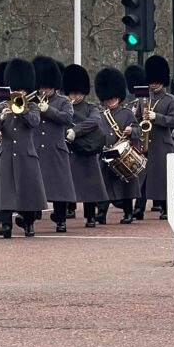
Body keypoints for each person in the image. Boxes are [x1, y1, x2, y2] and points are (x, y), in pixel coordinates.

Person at [0, 59, 47, 238]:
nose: (18, 93)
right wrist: (1, 118)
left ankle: (29, 225)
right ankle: (6, 226)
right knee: (5, 192)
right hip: (6, 153)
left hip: (26, 154)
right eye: (15, 90)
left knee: (28, 192)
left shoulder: (32, 107)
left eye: (21, 90)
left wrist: (21, 110)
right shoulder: (2, 107)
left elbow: (34, 122)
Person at [32, 56, 76, 233]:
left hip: (55, 148)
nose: (44, 90)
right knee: (34, 184)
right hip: (36, 147)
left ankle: (60, 219)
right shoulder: (31, 100)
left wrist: (48, 110)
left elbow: (67, 118)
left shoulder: (63, 101)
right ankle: (31, 216)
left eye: (47, 87)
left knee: (60, 187)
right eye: (41, 86)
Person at [62, 64, 108, 228]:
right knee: (66, 184)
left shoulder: (90, 108)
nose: (74, 95)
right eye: (72, 92)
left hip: (86, 150)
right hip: (69, 151)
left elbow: (95, 121)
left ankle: (90, 216)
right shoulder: (63, 107)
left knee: (90, 187)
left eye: (77, 92)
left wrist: (76, 130)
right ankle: (64, 213)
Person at [94, 67, 140, 224]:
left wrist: (131, 130)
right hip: (106, 154)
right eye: (108, 99)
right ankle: (101, 213)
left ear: (119, 98)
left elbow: (138, 130)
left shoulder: (127, 113)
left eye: (113, 98)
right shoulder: (100, 115)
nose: (111, 101)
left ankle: (128, 212)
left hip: (122, 155)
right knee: (104, 184)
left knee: (126, 185)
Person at [136, 55, 174, 219]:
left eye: (156, 82)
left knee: (163, 177)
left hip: (162, 144)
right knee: (142, 177)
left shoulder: (170, 100)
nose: (153, 85)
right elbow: (137, 119)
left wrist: (156, 117)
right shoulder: (143, 99)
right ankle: (139, 208)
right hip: (145, 144)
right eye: (151, 82)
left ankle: (166, 207)